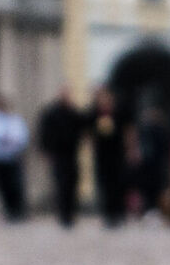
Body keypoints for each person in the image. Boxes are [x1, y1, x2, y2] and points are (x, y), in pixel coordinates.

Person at [37, 87, 84, 227]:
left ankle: (71, 213)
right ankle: (63, 215)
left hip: (72, 154)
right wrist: (45, 151)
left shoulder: (73, 112)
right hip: (58, 154)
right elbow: (44, 133)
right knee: (62, 185)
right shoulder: (51, 113)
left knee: (72, 184)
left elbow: (82, 126)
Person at [89, 87, 128, 226]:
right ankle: (107, 214)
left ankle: (117, 214)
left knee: (117, 186)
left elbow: (126, 132)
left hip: (116, 155)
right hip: (102, 156)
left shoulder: (118, 114)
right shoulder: (95, 114)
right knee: (104, 186)